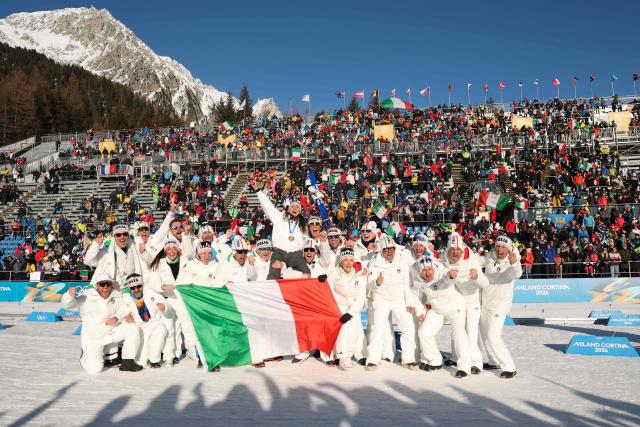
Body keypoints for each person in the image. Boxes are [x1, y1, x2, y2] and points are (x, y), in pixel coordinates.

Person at [61, 272, 143, 374]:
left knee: (133, 328)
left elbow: (124, 309)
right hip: (94, 339)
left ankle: (128, 361)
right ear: (97, 286)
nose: (105, 287)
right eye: (102, 284)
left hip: (111, 333)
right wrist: (69, 296)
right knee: (94, 370)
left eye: (108, 284)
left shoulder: (116, 297)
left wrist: (117, 318)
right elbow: (68, 305)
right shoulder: (87, 298)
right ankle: (85, 355)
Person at [365, 235, 418, 371]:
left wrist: (409, 302)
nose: (389, 252)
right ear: (381, 250)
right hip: (381, 299)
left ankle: (409, 358)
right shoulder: (374, 261)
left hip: (398, 299)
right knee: (378, 329)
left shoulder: (401, 261)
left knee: (408, 327)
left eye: (391, 249)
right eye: (386, 250)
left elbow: (406, 284)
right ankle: (373, 359)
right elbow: (369, 283)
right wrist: (376, 283)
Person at [412, 256, 471, 378]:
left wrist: (450, 276)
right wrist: (420, 312)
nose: (427, 273)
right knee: (424, 333)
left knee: (458, 333)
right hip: (437, 309)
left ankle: (464, 367)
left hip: (455, 306)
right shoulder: (418, 280)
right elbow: (416, 297)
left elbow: (446, 279)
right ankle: (434, 360)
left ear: (433, 268)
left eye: (429, 269)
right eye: (424, 270)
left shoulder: (441, 272)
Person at [441, 233, 489, 374]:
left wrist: (477, 277)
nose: (455, 253)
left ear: (462, 249)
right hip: (457, 299)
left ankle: (476, 363)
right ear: (447, 250)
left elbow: (485, 283)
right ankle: (457, 357)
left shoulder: (471, 260)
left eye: (457, 250)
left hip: (472, 298)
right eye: (452, 250)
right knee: (457, 330)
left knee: (471, 331)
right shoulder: (444, 258)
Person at [480, 235, 522, 379]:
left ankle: (510, 367)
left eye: (503, 247)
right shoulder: (491, 259)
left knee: (493, 337)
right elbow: (477, 261)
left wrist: (515, 263)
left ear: (509, 249)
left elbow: (517, 273)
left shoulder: (511, 264)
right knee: (485, 335)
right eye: (498, 246)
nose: (500, 249)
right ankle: (493, 361)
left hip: (499, 306)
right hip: (485, 303)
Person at [253, 183, 310, 279]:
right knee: (273, 275)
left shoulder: (303, 225)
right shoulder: (279, 218)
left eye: (297, 207)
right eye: (292, 207)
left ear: (300, 211)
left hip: (295, 253)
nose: (294, 209)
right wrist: (258, 191)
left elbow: (306, 239)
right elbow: (268, 206)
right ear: (288, 210)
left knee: (306, 274)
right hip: (279, 252)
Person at [147, 238, 189, 365]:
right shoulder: (159, 264)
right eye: (168, 249)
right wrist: (163, 287)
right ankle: (168, 356)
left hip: (181, 299)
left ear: (178, 250)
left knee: (179, 327)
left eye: (174, 248)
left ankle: (177, 353)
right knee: (169, 327)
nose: (171, 251)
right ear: (165, 251)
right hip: (167, 299)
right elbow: (153, 282)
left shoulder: (185, 261)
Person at [328, 247, 367, 370]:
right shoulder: (334, 273)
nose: (349, 263)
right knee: (344, 329)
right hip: (338, 305)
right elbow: (329, 291)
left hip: (353, 307)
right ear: (341, 262)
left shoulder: (359, 275)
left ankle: (360, 353)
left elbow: (361, 297)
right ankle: (344, 356)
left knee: (357, 329)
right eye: (346, 260)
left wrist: (350, 313)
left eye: (351, 260)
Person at [122, 274, 173, 368]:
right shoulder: (126, 298)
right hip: (140, 329)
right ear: (129, 288)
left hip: (155, 324)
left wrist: (164, 307)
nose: (136, 290)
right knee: (141, 362)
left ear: (142, 284)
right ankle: (146, 357)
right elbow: (121, 312)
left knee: (161, 331)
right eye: (133, 288)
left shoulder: (151, 292)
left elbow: (168, 307)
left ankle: (154, 360)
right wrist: (126, 318)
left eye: (138, 286)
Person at [84, 223, 138, 288]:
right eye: (118, 235)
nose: (122, 237)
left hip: (124, 291)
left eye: (125, 234)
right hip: (104, 290)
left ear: (128, 236)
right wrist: (96, 244)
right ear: (114, 237)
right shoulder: (106, 250)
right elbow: (88, 261)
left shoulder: (134, 249)